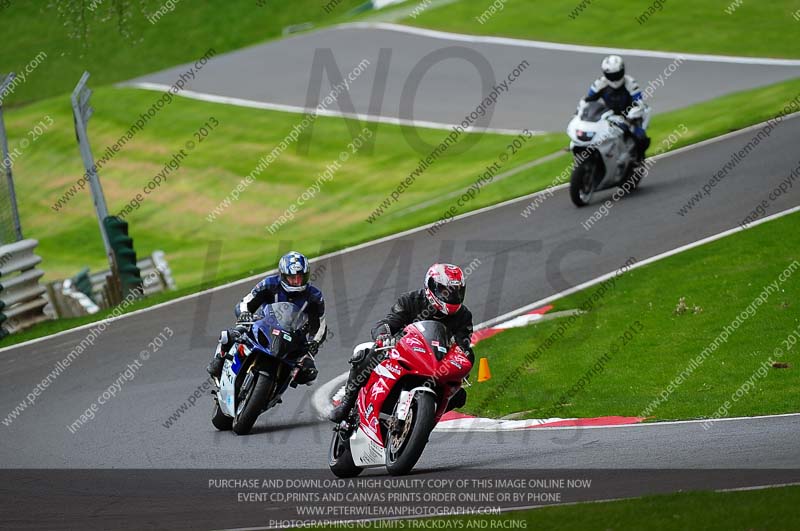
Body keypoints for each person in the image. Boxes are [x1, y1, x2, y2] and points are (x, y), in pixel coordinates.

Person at [328, 263, 474, 423]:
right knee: (363, 353)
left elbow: (464, 346)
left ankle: (423, 422)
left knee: (459, 396)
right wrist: (383, 334)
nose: (451, 296)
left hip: (435, 364)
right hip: (402, 352)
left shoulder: (463, 315)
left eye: (456, 291)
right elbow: (388, 322)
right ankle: (347, 404)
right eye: (446, 291)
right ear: (431, 286)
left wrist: (464, 363)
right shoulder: (410, 300)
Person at [206, 251, 327, 385]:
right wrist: (245, 313)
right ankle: (219, 361)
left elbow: (320, 325)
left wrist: (314, 343)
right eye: (293, 278)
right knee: (233, 333)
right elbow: (246, 302)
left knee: (309, 374)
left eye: (301, 277)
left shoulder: (314, 297)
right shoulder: (269, 284)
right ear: (283, 276)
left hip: (293, 337)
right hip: (265, 326)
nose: (297, 282)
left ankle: (277, 388)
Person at [584, 55, 651, 160]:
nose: (615, 79)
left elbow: (639, 102)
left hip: (630, 116)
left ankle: (638, 161)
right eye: (611, 76)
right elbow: (587, 101)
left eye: (617, 75)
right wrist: (581, 114)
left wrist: (631, 116)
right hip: (609, 116)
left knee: (640, 137)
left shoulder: (630, 83)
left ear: (622, 71)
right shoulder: (599, 83)